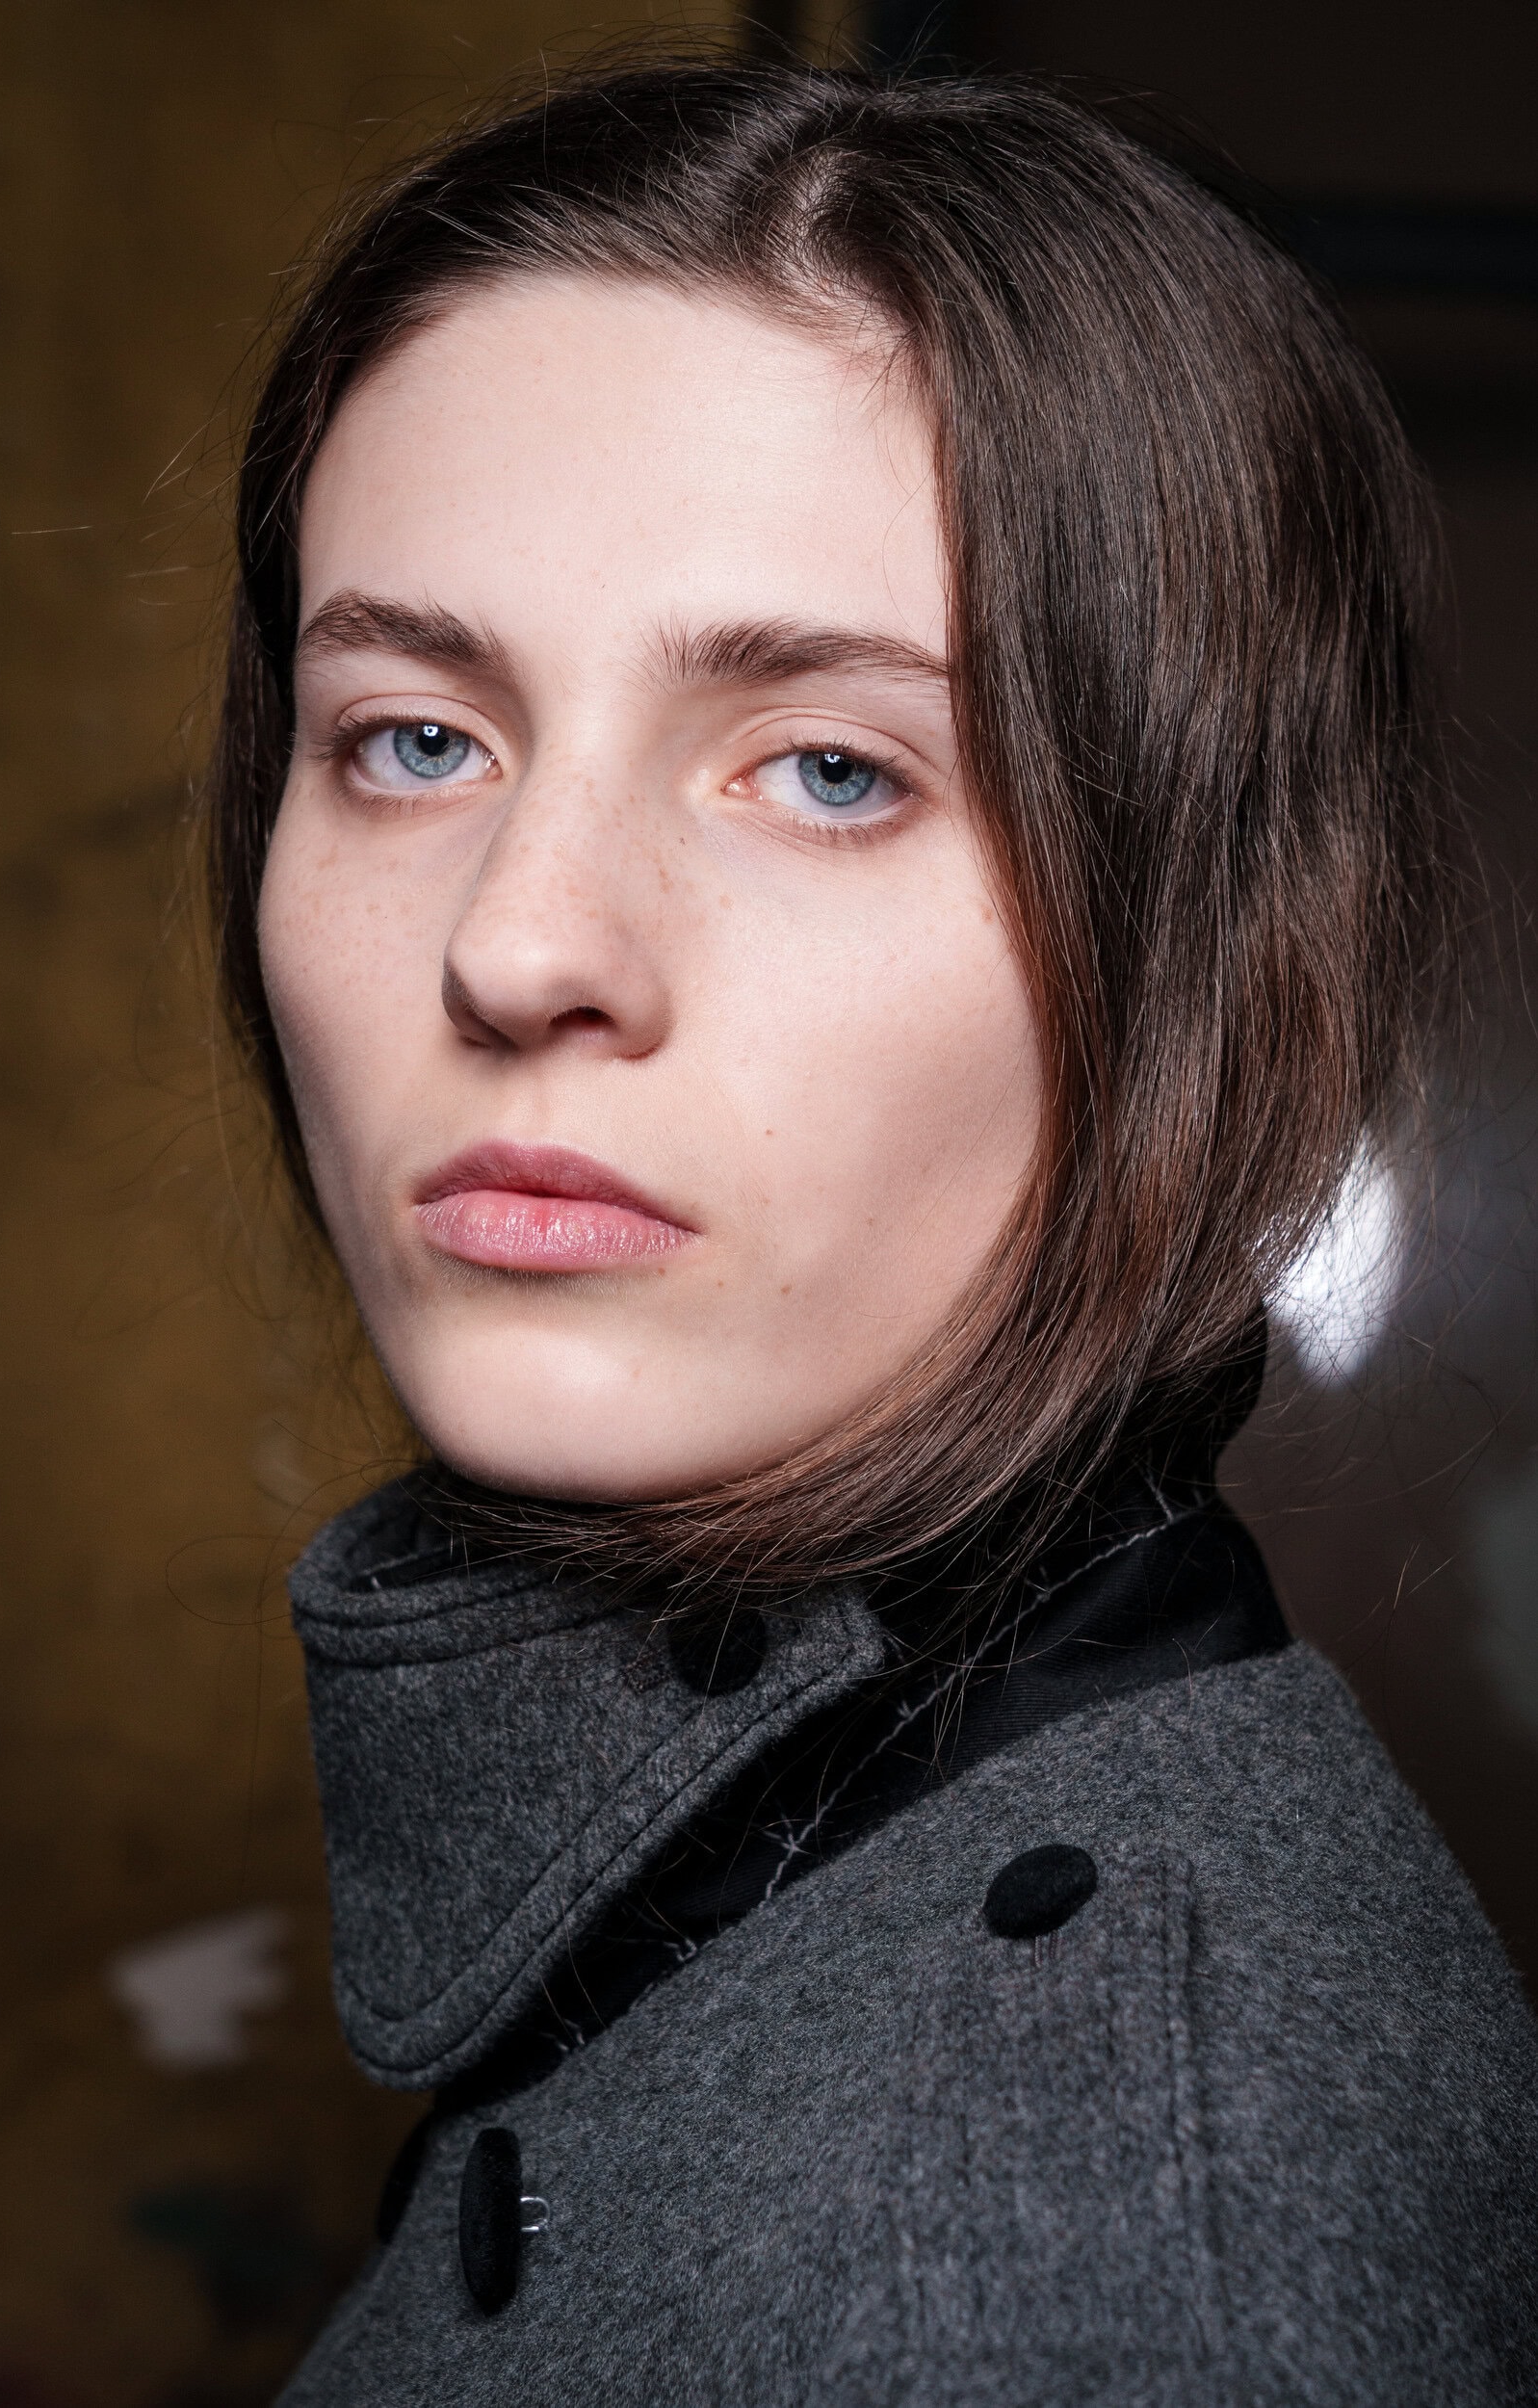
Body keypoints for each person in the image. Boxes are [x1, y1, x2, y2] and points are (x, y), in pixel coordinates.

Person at [209, 59, 1538, 2403]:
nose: (516, 944)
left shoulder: (1108, 2255)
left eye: (827, 768)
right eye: (413, 737)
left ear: (1206, 953)